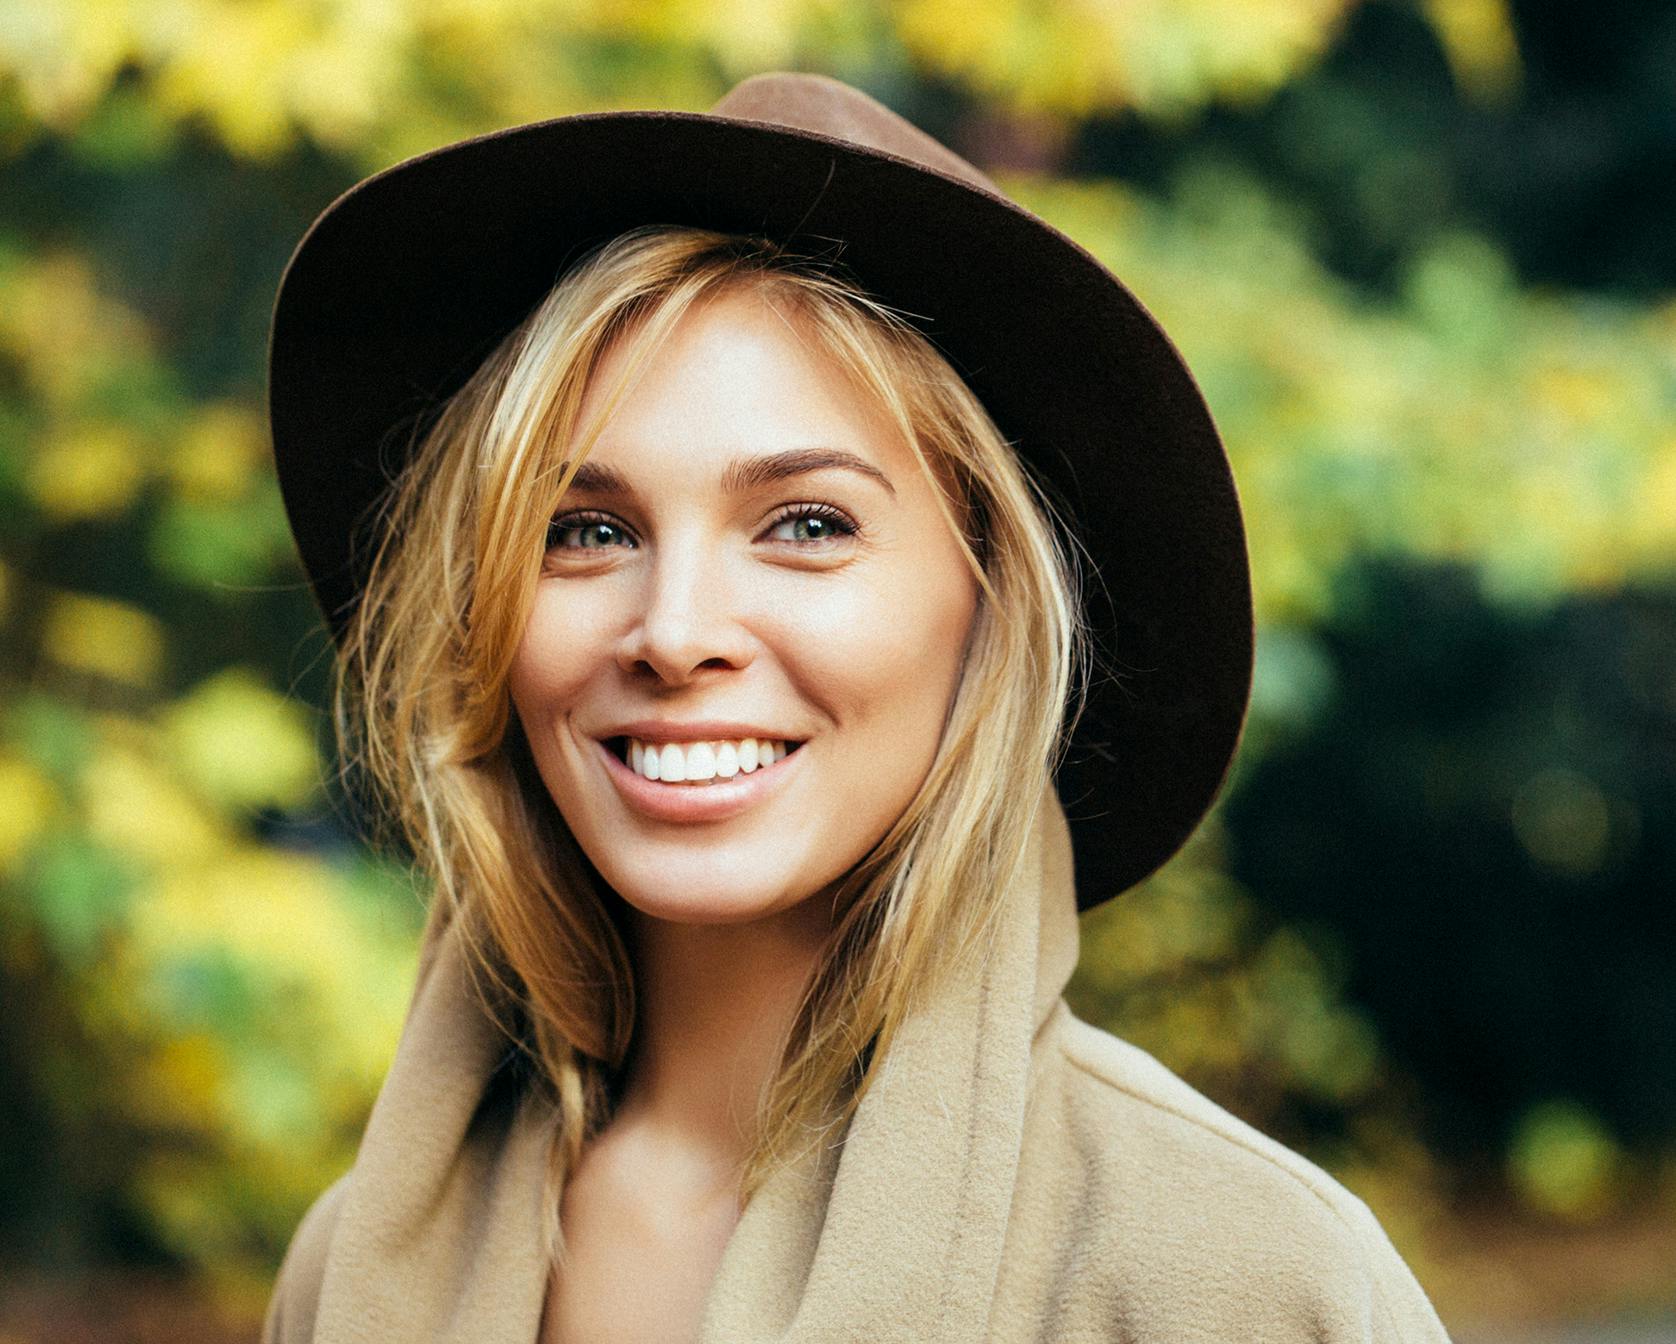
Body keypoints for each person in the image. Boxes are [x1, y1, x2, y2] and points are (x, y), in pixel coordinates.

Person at [262, 72, 1451, 1343]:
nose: (672, 632)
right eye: (585, 531)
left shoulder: (1235, 1280)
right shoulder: (357, 1269)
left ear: (992, 600)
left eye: (806, 525)